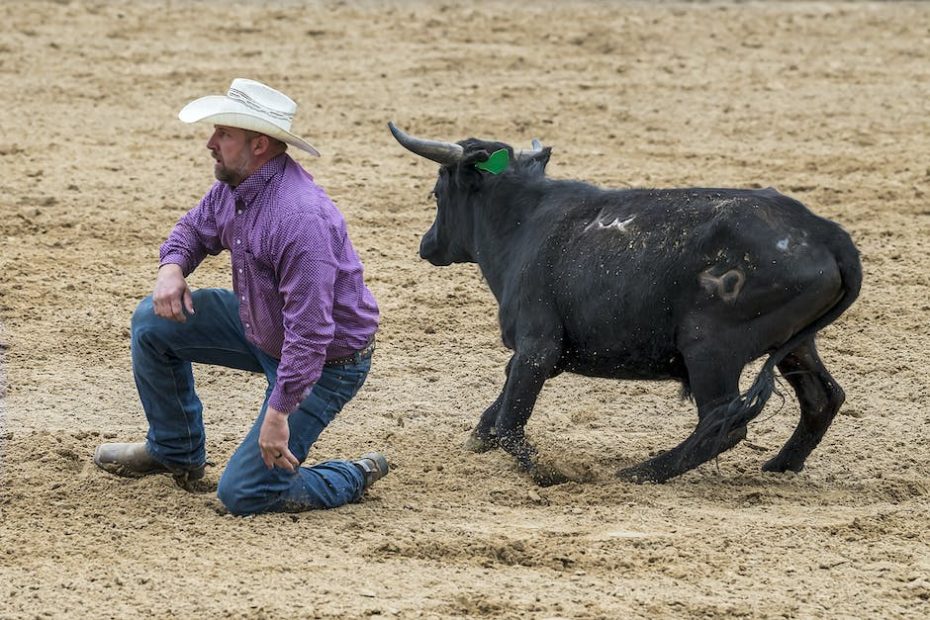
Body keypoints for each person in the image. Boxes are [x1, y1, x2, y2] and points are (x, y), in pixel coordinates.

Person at [94, 78, 387, 515]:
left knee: (245, 493)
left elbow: (311, 335)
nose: (211, 143)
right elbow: (193, 229)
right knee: (153, 322)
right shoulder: (237, 186)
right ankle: (174, 450)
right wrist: (171, 270)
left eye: (224, 134)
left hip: (324, 361)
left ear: (260, 145)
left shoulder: (300, 219)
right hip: (264, 325)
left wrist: (278, 412)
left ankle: (353, 473)